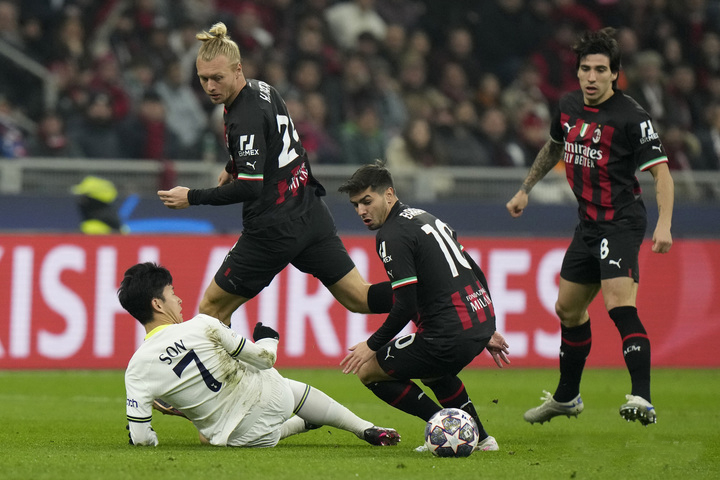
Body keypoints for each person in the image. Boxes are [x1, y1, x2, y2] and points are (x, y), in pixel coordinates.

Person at [157, 22, 394, 327]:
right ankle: (431, 293)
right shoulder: (263, 89)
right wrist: (233, 165)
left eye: (217, 78)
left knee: (211, 309)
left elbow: (250, 188)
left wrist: (192, 196)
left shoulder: (243, 117)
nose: (210, 87)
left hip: (272, 229)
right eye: (203, 79)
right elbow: (271, 141)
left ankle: (235, 376)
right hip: (310, 213)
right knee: (360, 298)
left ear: (238, 69)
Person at [506, 28, 674, 426]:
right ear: (578, 73)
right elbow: (554, 146)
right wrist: (525, 188)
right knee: (567, 309)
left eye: (601, 70)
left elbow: (662, 174)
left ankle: (642, 397)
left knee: (619, 304)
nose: (592, 77)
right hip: (587, 224)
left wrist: (664, 224)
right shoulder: (567, 106)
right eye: (586, 69)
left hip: (622, 221)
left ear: (615, 74)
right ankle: (566, 398)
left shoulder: (632, 117)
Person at [119, 262, 400, 448]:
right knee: (277, 380)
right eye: (172, 293)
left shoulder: (137, 369)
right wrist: (269, 339)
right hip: (276, 398)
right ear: (157, 303)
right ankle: (365, 429)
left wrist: (149, 440)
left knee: (212, 433)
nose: (179, 299)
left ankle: (303, 423)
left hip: (243, 438)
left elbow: (141, 437)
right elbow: (265, 359)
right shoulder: (202, 324)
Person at [337, 162, 511, 452]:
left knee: (368, 369)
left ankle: (447, 429)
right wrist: (488, 328)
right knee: (432, 370)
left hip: (448, 335)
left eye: (367, 201)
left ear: (389, 194)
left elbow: (406, 305)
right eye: (356, 205)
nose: (361, 211)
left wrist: (372, 343)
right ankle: (481, 438)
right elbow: (472, 269)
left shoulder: (391, 235)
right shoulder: (424, 216)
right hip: (476, 323)